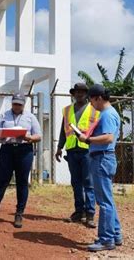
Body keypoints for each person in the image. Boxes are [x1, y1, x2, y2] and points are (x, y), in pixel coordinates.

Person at [0, 92, 42, 228]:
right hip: (7, 150)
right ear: (11, 103)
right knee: (1, 181)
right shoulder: (4, 115)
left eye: (19, 105)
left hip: (24, 150)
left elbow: (39, 135)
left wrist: (29, 137)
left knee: (22, 182)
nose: (17, 107)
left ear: (23, 104)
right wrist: (2, 133)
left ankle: (19, 213)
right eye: (15, 104)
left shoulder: (30, 117)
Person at [78, 84, 123, 252]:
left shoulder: (108, 114)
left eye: (91, 99)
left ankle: (106, 239)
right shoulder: (107, 114)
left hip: (102, 158)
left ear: (98, 98)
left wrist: (88, 140)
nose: (90, 103)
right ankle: (115, 234)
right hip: (103, 158)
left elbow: (109, 138)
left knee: (104, 202)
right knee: (107, 199)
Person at [55, 82, 99, 228]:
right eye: (77, 92)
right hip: (72, 150)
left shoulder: (94, 110)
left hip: (87, 150)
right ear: (73, 94)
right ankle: (79, 212)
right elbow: (63, 130)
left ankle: (90, 214)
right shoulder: (67, 111)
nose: (79, 94)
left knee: (88, 183)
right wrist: (59, 147)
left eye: (82, 92)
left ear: (86, 94)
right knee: (76, 183)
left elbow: (98, 130)